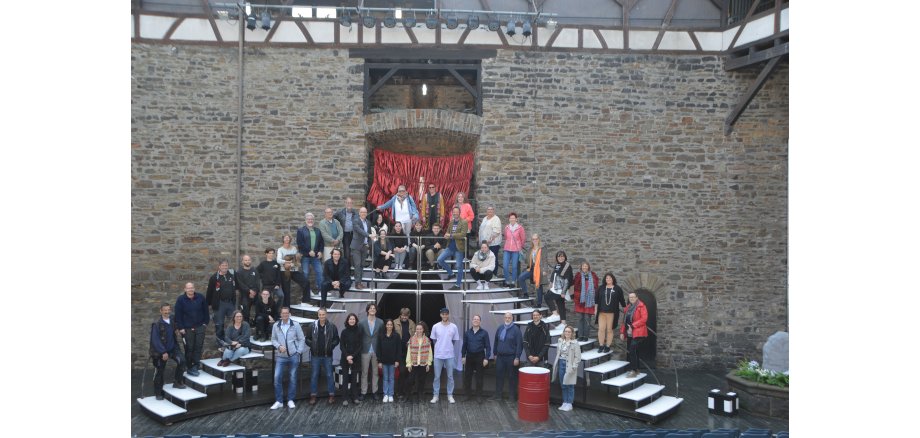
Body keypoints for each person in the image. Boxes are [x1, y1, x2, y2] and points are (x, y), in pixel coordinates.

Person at [270, 307, 305, 410]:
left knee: (293, 378)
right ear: (280, 314)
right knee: (277, 377)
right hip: (281, 357)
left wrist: (299, 351)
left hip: (294, 355)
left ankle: (290, 400)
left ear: (289, 314)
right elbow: (273, 339)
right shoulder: (276, 325)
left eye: (286, 313)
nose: (285, 315)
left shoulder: (295, 325)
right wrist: (278, 346)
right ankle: (279, 401)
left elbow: (302, 338)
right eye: (283, 313)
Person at [150, 303, 186, 400]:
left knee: (182, 361)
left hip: (173, 348)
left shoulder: (172, 319)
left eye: (168, 310)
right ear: (160, 311)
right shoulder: (157, 324)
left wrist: (178, 329)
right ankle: (158, 392)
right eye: (165, 310)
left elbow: (177, 324)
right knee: (160, 371)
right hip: (161, 352)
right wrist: (163, 352)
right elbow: (155, 340)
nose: (167, 312)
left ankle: (177, 382)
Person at [174, 282, 209, 377]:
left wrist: (205, 323)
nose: (190, 289)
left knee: (198, 347)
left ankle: (195, 366)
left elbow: (206, 311)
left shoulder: (200, 297)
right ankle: (189, 367)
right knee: (189, 348)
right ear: (185, 289)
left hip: (200, 327)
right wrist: (181, 328)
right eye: (188, 288)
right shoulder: (181, 299)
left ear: (194, 288)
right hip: (187, 329)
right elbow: (178, 315)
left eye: (192, 288)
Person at [306, 308, 340, 405]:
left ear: (326, 315)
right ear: (318, 315)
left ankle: (332, 395)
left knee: (329, 375)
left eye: (323, 314)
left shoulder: (332, 326)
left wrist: (331, 346)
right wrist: (312, 345)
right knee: (314, 376)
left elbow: (337, 339)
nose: (322, 316)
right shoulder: (312, 326)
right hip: (315, 356)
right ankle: (313, 395)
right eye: (320, 314)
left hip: (327, 356)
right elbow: (307, 339)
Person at [429, 307, 460, 403]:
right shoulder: (435, 326)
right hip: (438, 355)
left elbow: (454, 340)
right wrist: (440, 347)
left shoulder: (454, 326)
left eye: (446, 314)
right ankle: (436, 395)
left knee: (450, 376)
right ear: (440, 315)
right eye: (443, 314)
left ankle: (450, 395)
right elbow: (434, 340)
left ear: (448, 315)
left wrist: (447, 346)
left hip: (449, 355)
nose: (445, 315)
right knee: (437, 376)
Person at [490, 312, 522, 401]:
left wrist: (517, 357)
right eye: (506, 317)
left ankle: (512, 396)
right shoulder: (500, 328)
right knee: (499, 376)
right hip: (500, 357)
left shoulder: (516, 330)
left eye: (509, 317)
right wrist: (495, 353)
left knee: (512, 377)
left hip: (511, 357)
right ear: (504, 318)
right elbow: (496, 341)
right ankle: (498, 395)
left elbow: (519, 344)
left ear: (512, 318)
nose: (507, 319)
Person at [206, 259, 237, 348]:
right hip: (220, 304)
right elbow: (210, 292)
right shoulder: (214, 278)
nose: (225, 267)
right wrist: (208, 304)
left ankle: (232, 342)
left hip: (230, 303)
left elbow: (235, 287)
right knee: (219, 324)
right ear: (219, 266)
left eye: (226, 265)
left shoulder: (231, 275)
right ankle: (220, 343)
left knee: (234, 322)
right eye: (223, 265)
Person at [437, 207, 468, 290]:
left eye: (456, 212)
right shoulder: (451, 222)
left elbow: (463, 234)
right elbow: (448, 231)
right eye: (454, 212)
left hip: (459, 247)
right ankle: (451, 274)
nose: (455, 213)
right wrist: (446, 235)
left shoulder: (464, 222)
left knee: (459, 266)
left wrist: (451, 235)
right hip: (450, 246)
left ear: (459, 213)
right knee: (440, 259)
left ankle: (457, 285)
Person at [461, 314, 491, 401]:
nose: (476, 320)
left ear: (480, 321)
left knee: (479, 377)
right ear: (472, 321)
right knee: (467, 376)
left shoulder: (484, 333)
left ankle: (479, 396)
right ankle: (467, 395)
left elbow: (488, 347)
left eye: (477, 319)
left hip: (480, 356)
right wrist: (463, 356)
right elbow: (464, 346)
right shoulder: (467, 333)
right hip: (469, 356)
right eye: (474, 319)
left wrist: (486, 358)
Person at [551, 325, 581, 411]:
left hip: (569, 365)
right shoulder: (560, 341)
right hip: (561, 363)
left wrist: (574, 367)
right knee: (563, 384)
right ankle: (565, 402)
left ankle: (569, 403)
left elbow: (577, 357)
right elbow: (558, 353)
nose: (567, 333)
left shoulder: (575, 343)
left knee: (570, 384)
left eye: (569, 332)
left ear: (572, 334)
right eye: (566, 331)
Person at [595, 273, 627, 353]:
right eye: (606, 278)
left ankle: (608, 346)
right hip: (602, 312)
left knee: (609, 330)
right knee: (601, 329)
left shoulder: (617, 288)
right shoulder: (601, 288)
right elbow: (596, 300)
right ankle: (601, 345)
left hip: (612, 313)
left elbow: (622, 300)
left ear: (613, 279)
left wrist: (625, 308)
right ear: (605, 280)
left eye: (610, 278)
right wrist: (595, 310)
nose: (608, 280)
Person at [296, 212, 325, 297]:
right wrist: (309, 251)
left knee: (320, 271)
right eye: (308, 219)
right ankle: (307, 291)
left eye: (311, 219)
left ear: (313, 220)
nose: (310, 220)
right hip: (305, 256)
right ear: (305, 220)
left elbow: (321, 243)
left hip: (315, 256)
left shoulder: (317, 230)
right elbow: (300, 244)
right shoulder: (301, 231)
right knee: (305, 273)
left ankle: (320, 290)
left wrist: (320, 251)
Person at [621, 292, 648, 378]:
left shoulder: (641, 306)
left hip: (638, 332)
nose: (631, 299)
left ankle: (633, 370)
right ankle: (636, 369)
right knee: (633, 351)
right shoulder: (628, 308)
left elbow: (644, 319)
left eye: (633, 297)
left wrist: (633, 326)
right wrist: (622, 332)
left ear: (637, 297)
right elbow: (624, 321)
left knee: (632, 349)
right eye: (630, 297)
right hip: (629, 333)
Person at [358, 303, 382, 401]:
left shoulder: (380, 322)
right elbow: (359, 337)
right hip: (365, 350)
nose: (372, 309)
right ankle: (363, 392)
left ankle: (375, 392)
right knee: (364, 372)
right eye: (370, 308)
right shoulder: (362, 322)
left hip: (376, 350)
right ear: (367, 310)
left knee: (375, 372)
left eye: (374, 308)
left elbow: (381, 337)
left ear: (376, 310)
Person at [392, 308, 416, 401]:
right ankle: (399, 391)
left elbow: (414, 335)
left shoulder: (412, 323)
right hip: (399, 351)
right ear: (400, 314)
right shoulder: (394, 322)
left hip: (409, 351)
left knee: (409, 372)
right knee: (401, 372)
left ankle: (407, 391)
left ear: (408, 315)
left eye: (406, 315)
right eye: (403, 315)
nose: (404, 317)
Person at [376, 319, 402, 403]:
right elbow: (378, 349)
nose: (389, 326)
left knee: (391, 378)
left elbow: (399, 349)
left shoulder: (396, 336)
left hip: (393, 361)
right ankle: (385, 394)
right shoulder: (381, 336)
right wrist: (379, 361)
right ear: (385, 326)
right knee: (385, 378)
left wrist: (397, 360)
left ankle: (391, 394)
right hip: (383, 361)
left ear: (393, 326)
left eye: (391, 324)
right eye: (388, 324)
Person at [339, 312, 362, 406]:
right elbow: (342, 346)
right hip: (345, 358)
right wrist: (347, 356)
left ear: (356, 320)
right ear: (347, 321)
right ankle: (344, 398)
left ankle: (355, 397)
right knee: (345, 379)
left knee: (354, 378)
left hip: (355, 358)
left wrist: (352, 356)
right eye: (350, 319)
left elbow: (360, 346)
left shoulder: (359, 331)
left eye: (353, 319)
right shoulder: (344, 332)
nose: (352, 320)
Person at [405, 322, 432, 403]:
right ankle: (408, 396)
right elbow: (409, 352)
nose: (419, 330)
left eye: (420, 329)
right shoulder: (411, 339)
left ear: (423, 329)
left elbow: (429, 353)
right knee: (410, 380)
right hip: (414, 364)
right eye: (417, 329)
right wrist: (409, 364)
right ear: (415, 330)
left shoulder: (427, 340)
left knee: (422, 381)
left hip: (423, 364)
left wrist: (428, 363)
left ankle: (420, 396)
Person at [573, 261, 599, 342]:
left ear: (588, 267)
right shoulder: (578, 275)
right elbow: (575, 286)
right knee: (580, 318)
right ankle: (580, 335)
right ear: (581, 267)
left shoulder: (593, 275)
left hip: (589, 300)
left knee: (587, 319)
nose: (584, 267)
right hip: (580, 300)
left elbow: (596, 287)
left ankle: (586, 336)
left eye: (586, 266)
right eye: (583, 266)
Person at [518, 234, 546, 306]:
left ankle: (539, 303)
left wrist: (544, 270)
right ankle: (525, 294)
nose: (535, 240)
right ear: (532, 240)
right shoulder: (531, 249)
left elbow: (545, 260)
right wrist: (522, 256)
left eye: (536, 239)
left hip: (539, 269)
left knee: (538, 286)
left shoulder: (542, 249)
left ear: (538, 239)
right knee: (521, 277)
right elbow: (527, 261)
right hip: (531, 268)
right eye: (533, 239)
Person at [546, 251, 574, 325]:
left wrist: (563, 292)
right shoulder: (558, 265)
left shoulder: (567, 266)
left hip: (561, 289)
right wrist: (551, 282)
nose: (560, 258)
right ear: (557, 258)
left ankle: (555, 314)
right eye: (559, 256)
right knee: (560, 304)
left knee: (547, 296)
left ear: (565, 257)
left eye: (562, 256)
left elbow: (568, 280)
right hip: (557, 288)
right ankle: (563, 323)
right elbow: (554, 274)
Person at [350, 207, 373, 289]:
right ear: (359, 213)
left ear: (366, 213)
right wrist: (368, 235)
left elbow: (369, 234)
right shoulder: (356, 221)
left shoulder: (368, 222)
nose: (363, 213)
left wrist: (369, 244)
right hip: (356, 247)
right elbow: (360, 230)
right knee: (357, 264)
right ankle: (357, 283)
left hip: (364, 246)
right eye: (362, 212)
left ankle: (359, 282)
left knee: (362, 265)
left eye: (365, 212)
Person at [502, 213, 526, 288]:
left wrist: (520, 246)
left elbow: (523, 238)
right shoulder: (506, 227)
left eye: (513, 218)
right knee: (505, 266)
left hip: (516, 250)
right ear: (509, 219)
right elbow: (506, 237)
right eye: (510, 218)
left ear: (516, 219)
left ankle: (513, 281)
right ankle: (507, 281)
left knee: (514, 266)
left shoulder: (520, 228)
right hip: (507, 249)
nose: (512, 219)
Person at [235, 254, 261, 323]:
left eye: (249, 260)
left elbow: (257, 282)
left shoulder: (254, 271)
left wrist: (254, 292)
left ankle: (256, 322)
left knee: (261, 304)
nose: (247, 261)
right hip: (245, 294)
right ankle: (246, 324)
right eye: (245, 260)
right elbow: (241, 284)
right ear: (242, 262)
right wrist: (249, 291)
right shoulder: (239, 272)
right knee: (245, 308)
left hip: (255, 293)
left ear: (251, 261)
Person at [334, 197, 358, 264]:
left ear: (352, 204)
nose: (349, 204)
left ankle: (353, 266)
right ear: (345, 203)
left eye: (350, 203)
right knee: (347, 251)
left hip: (354, 234)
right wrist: (337, 227)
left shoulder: (355, 213)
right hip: (345, 234)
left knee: (354, 251)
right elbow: (333, 218)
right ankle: (347, 269)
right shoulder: (340, 212)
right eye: (347, 203)